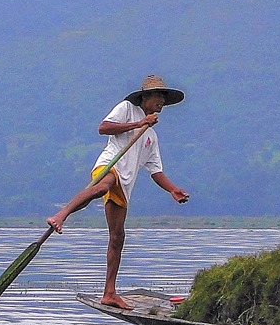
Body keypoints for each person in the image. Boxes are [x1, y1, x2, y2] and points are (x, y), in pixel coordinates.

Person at [47, 74, 191, 308]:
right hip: (109, 166)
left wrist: (173, 190)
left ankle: (109, 293)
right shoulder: (127, 109)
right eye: (158, 96)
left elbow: (156, 171)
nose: (162, 102)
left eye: (164, 98)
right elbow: (104, 128)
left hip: (125, 185)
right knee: (102, 186)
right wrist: (138, 124)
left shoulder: (151, 138)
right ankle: (60, 215)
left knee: (117, 237)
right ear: (145, 97)